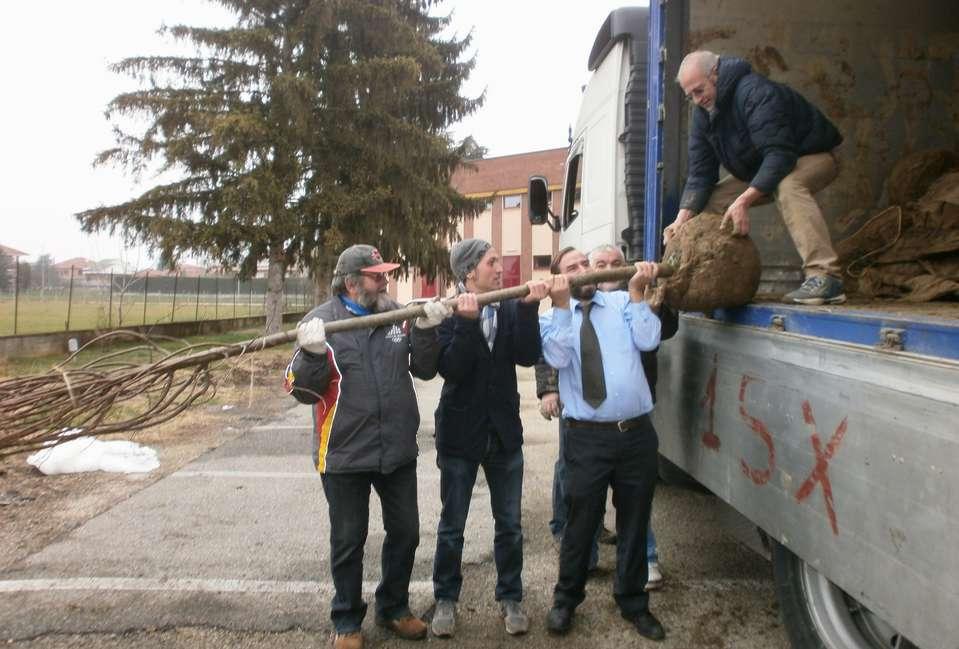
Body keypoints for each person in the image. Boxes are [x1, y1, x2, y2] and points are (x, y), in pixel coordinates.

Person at [284, 244, 452, 649]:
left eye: (385, 273)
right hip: (343, 454)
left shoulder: (396, 314)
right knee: (348, 540)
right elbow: (301, 390)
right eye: (377, 274)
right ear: (351, 281)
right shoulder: (320, 322)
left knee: (406, 534)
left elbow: (425, 370)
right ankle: (346, 621)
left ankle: (393, 607)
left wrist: (427, 331)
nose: (385, 279)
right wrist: (311, 354)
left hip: (396, 450)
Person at [540, 249, 666, 641]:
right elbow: (557, 357)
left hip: (636, 435)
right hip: (587, 437)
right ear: (561, 278)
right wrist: (561, 308)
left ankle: (633, 602)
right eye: (573, 268)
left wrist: (639, 294)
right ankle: (566, 600)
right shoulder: (548, 318)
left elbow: (649, 340)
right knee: (581, 522)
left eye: (586, 265)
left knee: (634, 519)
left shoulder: (621, 301)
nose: (583, 271)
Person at [430, 238, 550, 639]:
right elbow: (452, 369)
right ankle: (446, 599)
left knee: (510, 525)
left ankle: (511, 597)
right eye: (492, 262)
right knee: (452, 525)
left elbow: (527, 354)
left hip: (503, 434)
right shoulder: (447, 311)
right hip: (460, 435)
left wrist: (530, 309)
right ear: (469, 273)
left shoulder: (511, 305)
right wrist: (465, 324)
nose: (500, 268)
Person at [664, 50, 846, 306]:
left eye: (699, 90)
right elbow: (700, 174)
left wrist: (744, 200)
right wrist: (681, 219)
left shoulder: (755, 92)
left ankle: (826, 277)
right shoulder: (703, 114)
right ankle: (722, 281)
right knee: (710, 202)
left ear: (715, 74)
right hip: (764, 166)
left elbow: (780, 156)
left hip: (811, 155)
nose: (697, 100)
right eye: (690, 95)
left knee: (788, 185)